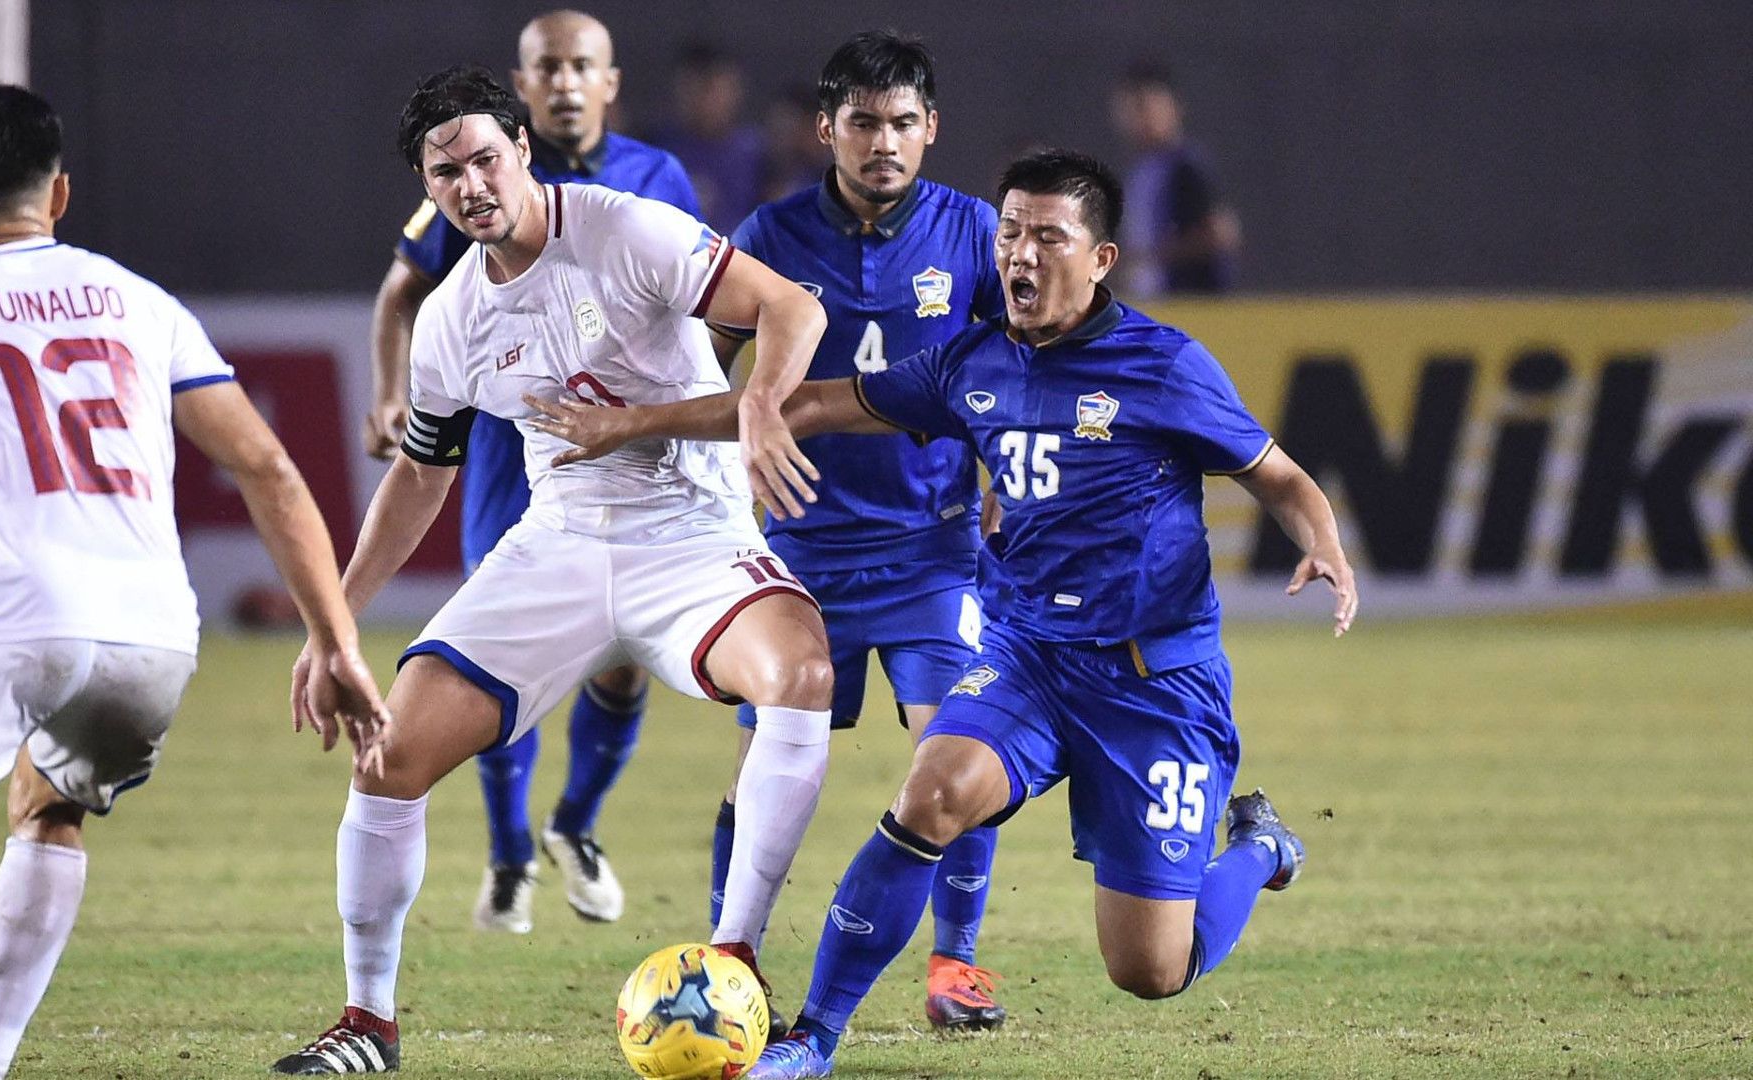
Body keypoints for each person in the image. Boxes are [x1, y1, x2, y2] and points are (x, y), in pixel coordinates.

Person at [527, 148, 1359, 1080]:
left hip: (1153, 683)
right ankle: (812, 1037)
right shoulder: (971, 361)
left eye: (1050, 236)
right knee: (931, 795)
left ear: (1102, 260)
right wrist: (630, 425)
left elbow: (1278, 474)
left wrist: (1321, 540)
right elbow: (804, 405)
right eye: (1010, 232)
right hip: (1031, 660)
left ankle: (1258, 847)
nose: (1022, 254)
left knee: (1150, 970)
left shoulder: (1165, 365)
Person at [272, 66, 834, 1075]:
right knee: (388, 754)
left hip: (693, 538)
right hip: (561, 545)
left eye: (488, 157)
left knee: (800, 674)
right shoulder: (449, 319)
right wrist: (336, 626)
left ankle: (737, 962)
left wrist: (758, 405)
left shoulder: (628, 229)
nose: (473, 182)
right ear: (429, 187)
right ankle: (367, 1025)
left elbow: (791, 309)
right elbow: (420, 476)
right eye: (448, 171)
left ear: (523, 151)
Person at [0, 81, 389, 1080]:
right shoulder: (141, 302)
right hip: (152, 640)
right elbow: (265, 467)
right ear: (60, 196)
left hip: (5, 618)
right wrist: (337, 640)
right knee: (49, 807)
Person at [361, 9, 701, 936]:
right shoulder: (470, 172)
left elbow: (704, 301)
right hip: (516, 450)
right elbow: (403, 292)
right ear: (524, 86)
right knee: (498, 652)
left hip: (625, 446)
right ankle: (509, 855)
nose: (562, 82)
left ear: (609, 80)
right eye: (545, 67)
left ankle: (576, 826)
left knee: (623, 662)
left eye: (578, 66)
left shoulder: (652, 181)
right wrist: (394, 397)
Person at [704, 31, 1009, 1032]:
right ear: (828, 128)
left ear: (932, 130)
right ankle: (730, 963)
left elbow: (1017, 372)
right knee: (768, 770)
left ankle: (955, 965)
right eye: (866, 122)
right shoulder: (771, 235)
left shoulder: (972, 234)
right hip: (801, 556)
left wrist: (1008, 485)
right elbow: (706, 372)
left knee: (957, 757)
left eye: (904, 123)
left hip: (935, 551)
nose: (885, 141)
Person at [1110, 59, 1241, 297]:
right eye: (1130, 110)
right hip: (1156, 308)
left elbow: (1220, 234)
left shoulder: (1185, 167)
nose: (1139, 119)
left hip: (1190, 306)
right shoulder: (1140, 173)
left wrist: (1152, 256)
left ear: (1174, 107)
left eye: (1145, 107)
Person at [646, 42, 770, 234]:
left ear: (734, 91)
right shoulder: (655, 150)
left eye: (713, 89)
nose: (705, 100)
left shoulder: (760, 156)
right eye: (693, 88)